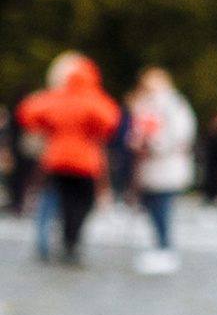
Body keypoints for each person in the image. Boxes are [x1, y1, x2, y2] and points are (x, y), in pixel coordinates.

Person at [15, 54, 122, 265]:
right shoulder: (93, 99)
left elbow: (28, 112)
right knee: (82, 203)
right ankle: (71, 241)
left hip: (56, 159)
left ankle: (48, 243)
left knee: (58, 200)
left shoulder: (56, 97)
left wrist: (48, 128)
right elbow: (111, 121)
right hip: (84, 161)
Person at [127, 69, 197, 274]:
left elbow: (179, 134)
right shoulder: (145, 105)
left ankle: (166, 247)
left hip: (165, 165)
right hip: (150, 167)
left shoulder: (172, 104)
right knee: (151, 206)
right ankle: (160, 245)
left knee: (162, 207)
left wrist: (154, 145)